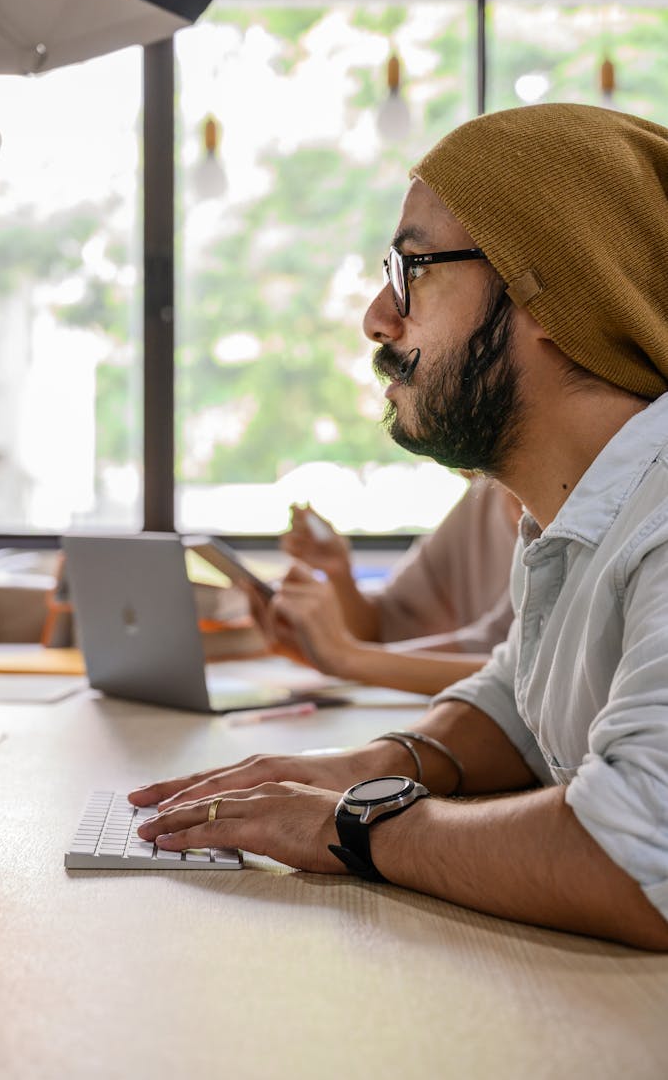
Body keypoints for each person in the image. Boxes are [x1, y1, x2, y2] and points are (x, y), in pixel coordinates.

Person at [132, 103, 668, 951]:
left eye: (413, 266)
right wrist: (368, 763)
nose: (379, 316)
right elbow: (521, 706)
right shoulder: (576, 518)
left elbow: (641, 853)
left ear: (551, 292)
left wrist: (352, 825)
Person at [254, 479, 520, 695]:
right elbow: (385, 626)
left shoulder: (555, 507)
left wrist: (345, 657)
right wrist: (339, 575)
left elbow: (518, 669)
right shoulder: (485, 495)